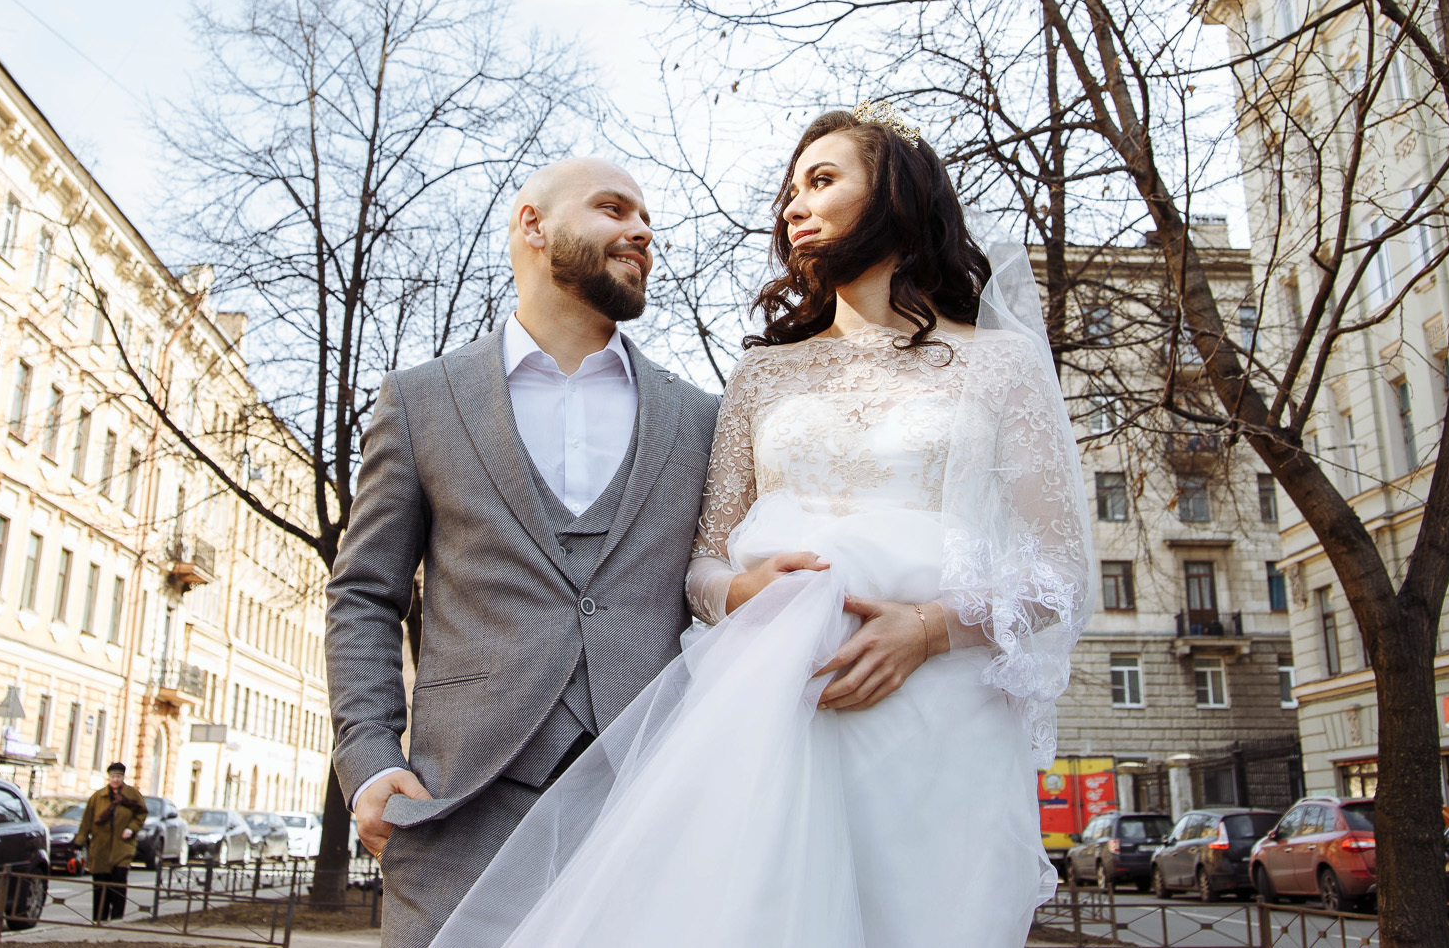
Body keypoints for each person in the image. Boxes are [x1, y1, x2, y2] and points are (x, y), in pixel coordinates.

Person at [433, 106, 1093, 948]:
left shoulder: (999, 364)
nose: (792, 205)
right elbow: (704, 566)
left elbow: (1058, 573)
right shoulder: (762, 374)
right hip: (770, 711)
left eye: (821, 181)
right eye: (790, 189)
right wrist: (745, 589)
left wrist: (925, 632)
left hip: (939, 718)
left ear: (894, 193)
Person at [325, 157, 722, 948]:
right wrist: (369, 757)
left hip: (649, 811)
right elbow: (364, 593)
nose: (642, 231)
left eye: (648, 220)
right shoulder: (421, 399)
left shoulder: (702, 417)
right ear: (532, 225)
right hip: (457, 811)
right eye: (614, 208)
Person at [82, 762, 147, 922]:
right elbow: (87, 820)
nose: (116, 780)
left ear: (123, 777)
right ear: (108, 777)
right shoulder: (98, 797)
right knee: (100, 885)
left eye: (118, 777)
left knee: (118, 884)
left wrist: (131, 828)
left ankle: (117, 919)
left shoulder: (132, 795)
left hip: (122, 847)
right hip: (101, 848)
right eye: (113, 777)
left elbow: (141, 814)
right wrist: (80, 840)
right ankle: (99, 919)